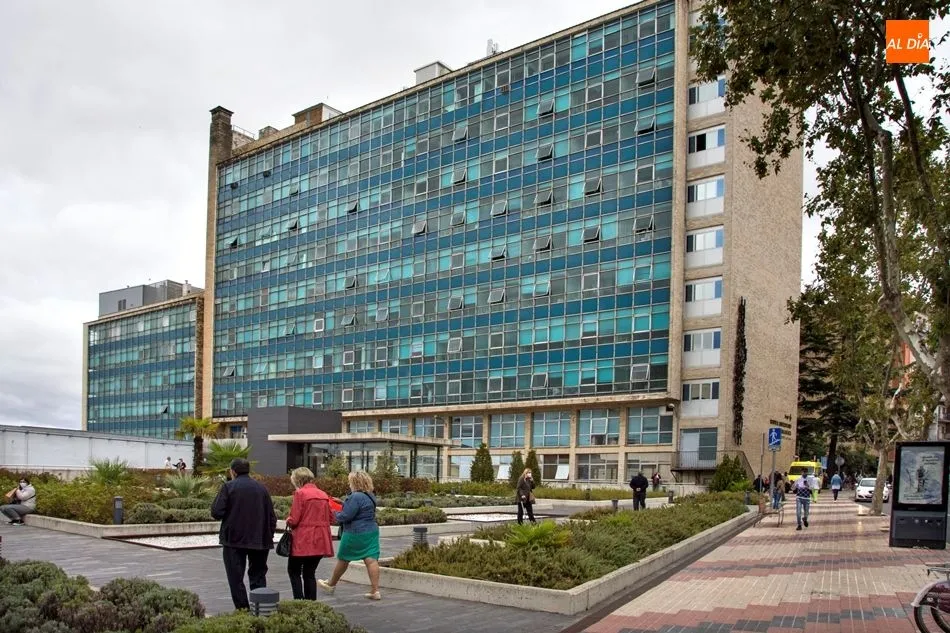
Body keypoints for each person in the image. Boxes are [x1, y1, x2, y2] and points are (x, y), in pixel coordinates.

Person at [211, 458, 277, 611]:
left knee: (235, 578)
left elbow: (216, 512)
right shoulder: (262, 489)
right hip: (259, 539)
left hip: (233, 540)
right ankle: (260, 609)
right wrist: (269, 534)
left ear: (233, 471)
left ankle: (243, 610)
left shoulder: (228, 487)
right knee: (258, 576)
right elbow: (271, 516)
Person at [318, 471, 382, 601]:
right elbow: (361, 508)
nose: (349, 484)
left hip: (355, 533)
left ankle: (331, 584)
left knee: (343, 558)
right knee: (371, 560)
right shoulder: (370, 495)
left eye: (350, 481)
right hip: (371, 531)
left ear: (355, 482)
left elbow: (345, 516)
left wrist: (331, 512)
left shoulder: (355, 496)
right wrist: (343, 503)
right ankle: (375, 590)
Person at [284, 467, 334, 600]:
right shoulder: (323, 494)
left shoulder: (300, 494)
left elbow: (294, 519)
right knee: (310, 573)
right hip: (320, 539)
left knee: (294, 571)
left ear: (297, 480)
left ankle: (299, 601)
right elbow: (331, 517)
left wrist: (288, 520)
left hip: (303, 539)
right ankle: (311, 603)